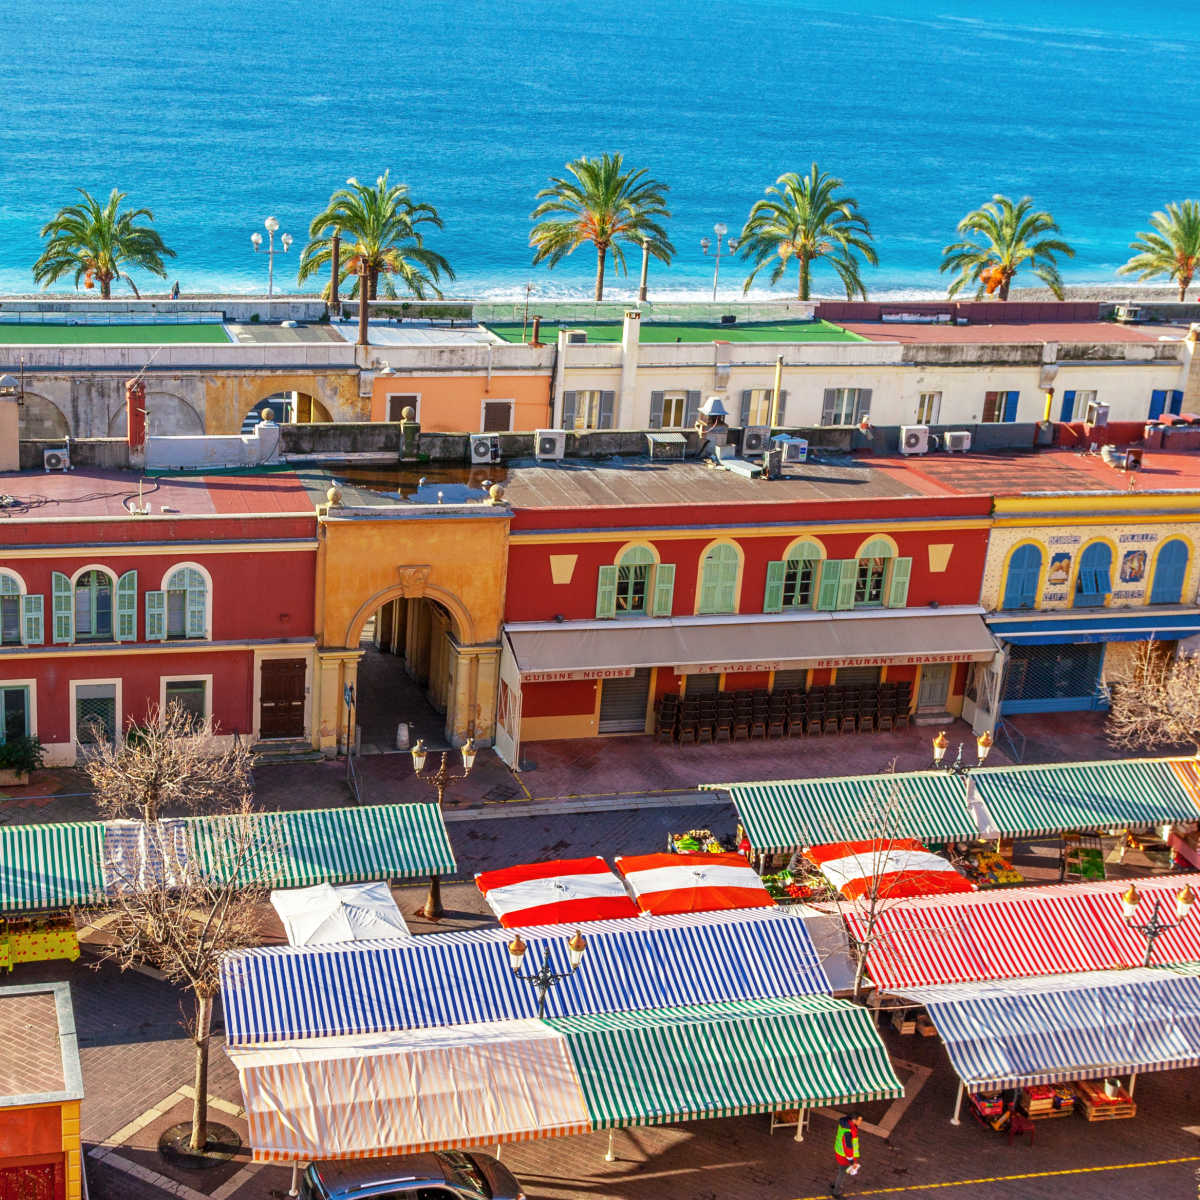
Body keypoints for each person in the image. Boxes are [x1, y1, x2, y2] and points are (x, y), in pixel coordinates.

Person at [831, 1113, 861, 1197]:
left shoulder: (845, 1125)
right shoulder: (848, 1132)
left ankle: (835, 1184)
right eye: (859, 1120)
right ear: (853, 1120)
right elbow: (848, 1149)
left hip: (840, 1153)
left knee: (841, 1172)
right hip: (844, 1157)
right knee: (842, 1173)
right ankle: (836, 1191)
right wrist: (852, 1162)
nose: (860, 1122)